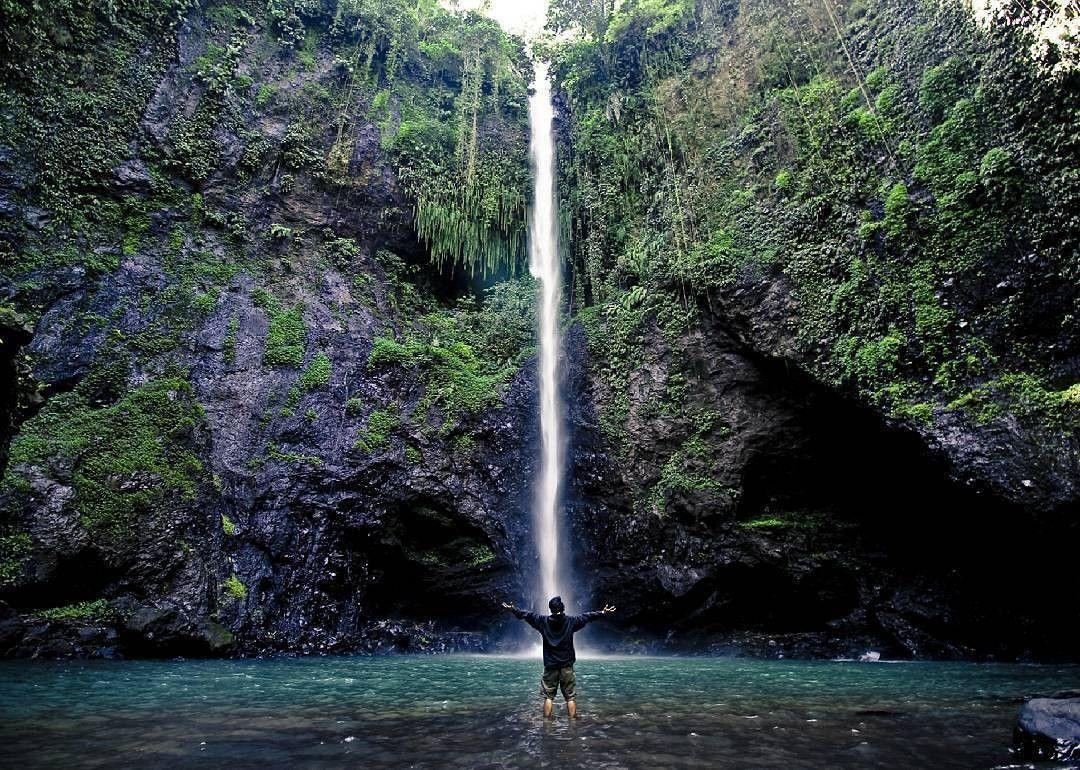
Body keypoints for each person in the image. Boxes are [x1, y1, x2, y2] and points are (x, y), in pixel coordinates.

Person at [502, 595, 616, 719]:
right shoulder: (571, 621)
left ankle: (546, 724)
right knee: (570, 697)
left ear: (550, 609)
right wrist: (602, 612)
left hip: (551, 665)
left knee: (548, 697)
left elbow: (527, 615)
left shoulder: (542, 621)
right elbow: (587, 617)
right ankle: (572, 724)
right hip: (566, 665)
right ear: (563, 607)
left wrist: (513, 610)